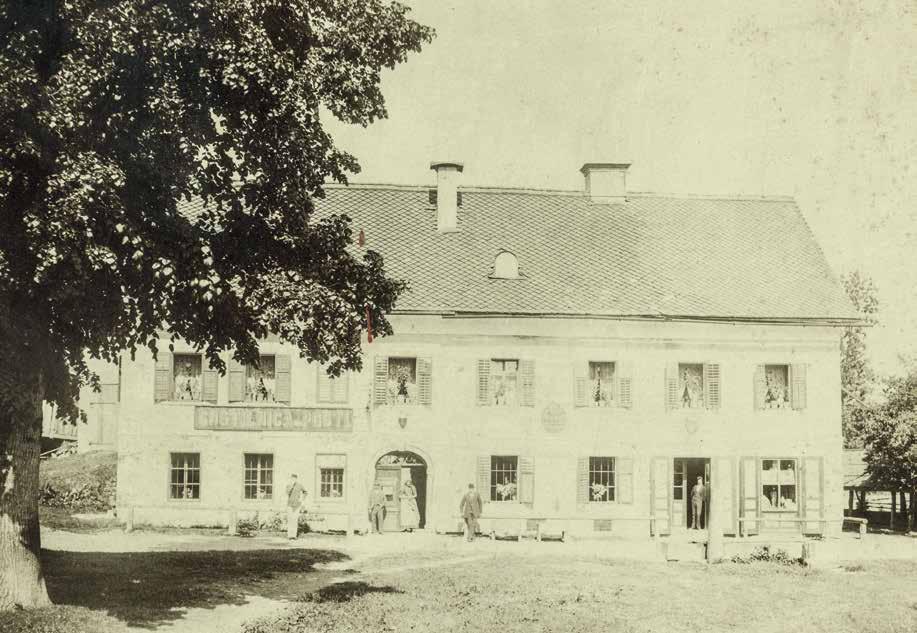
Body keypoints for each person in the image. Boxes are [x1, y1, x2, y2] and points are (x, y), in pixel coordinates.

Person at [285, 473, 306, 539]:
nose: (293, 480)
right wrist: (291, 486)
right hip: (290, 504)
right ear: (290, 479)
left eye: (294, 478)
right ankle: (289, 535)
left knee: (295, 519)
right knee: (290, 519)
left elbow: (305, 492)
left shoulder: (299, 485)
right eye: (292, 478)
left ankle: (293, 535)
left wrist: (301, 499)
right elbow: (287, 492)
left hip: (297, 505)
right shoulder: (288, 485)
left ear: (296, 479)